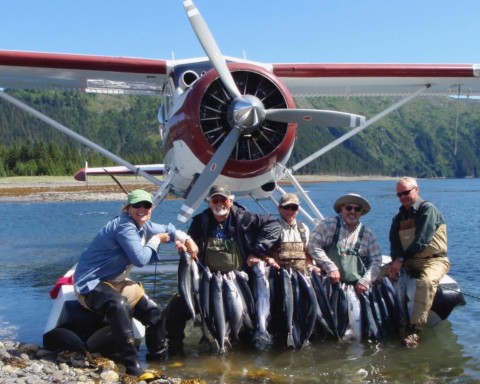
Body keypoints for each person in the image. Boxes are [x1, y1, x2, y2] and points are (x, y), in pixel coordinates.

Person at [73, 189, 198, 381]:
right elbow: (140, 259)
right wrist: (156, 240)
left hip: (116, 280)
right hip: (91, 283)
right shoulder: (124, 226)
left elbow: (169, 231)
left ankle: (157, 361)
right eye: (136, 206)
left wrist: (188, 240)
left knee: (155, 312)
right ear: (128, 208)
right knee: (119, 305)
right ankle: (133, 368)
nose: (142, 209)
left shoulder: (144, 225)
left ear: (151, 208)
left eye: (146, 205)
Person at [164, 184, 282, 355]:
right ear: (209, 202)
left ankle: (246, 357)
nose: (219, 203)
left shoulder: (245, 218)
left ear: (231, 201)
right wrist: (184, 247)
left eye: (223, 199)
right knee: (175, 310)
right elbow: (191, 244)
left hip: (239, 281)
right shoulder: (200, 221)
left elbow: (274, 226)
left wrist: (257, 251)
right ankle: (173, 350)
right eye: (215, 199)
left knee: (247, 328)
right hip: (208, 281)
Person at [388, 176, 450, 348]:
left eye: (406, 192)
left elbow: (422, 240)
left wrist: (400, 260)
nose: (402, 197)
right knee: (378, 276)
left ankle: (415, 330)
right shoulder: (398, 216)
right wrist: (395, 261)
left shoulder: (428, 209)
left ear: (416, 190)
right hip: (409, 260)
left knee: (426, 281)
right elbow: (394, 243)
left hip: (434, 260)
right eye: (399, 195)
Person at [307, 193, 382, 294]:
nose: (352, 211)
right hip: (328, 285)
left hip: (356, 289)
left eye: (357, 209)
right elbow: (312, 245)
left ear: (361, 212)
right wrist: (330, 268)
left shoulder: (367, 234)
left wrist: (365, 281)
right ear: (341, 209)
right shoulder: (329, 224)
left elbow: (376, 260)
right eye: (349, 208)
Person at [265, 192, 319, 274]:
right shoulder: (271, 227)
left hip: (301, 275)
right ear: (279, 208)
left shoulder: (304, 228)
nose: (290, 211)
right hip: (278, 275)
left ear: (297, 210)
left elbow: (307, 253)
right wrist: (268, 259)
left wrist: (310, 266)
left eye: (294, 208)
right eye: (286, 207)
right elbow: (260, 252)